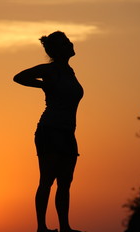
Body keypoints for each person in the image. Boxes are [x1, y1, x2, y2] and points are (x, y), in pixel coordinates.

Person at [13, 31, 84, 232]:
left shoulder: (70, 72)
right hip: (50, 130)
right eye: (65, 42)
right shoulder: (50, 70)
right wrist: (43, 84)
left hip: (68, 132)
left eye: (68, 41)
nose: (70, 44)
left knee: (65, 183)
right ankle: (41, 227)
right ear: (56, 50)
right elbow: (19, 77)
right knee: (47, 180)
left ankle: (65, 227)